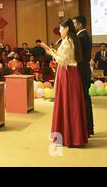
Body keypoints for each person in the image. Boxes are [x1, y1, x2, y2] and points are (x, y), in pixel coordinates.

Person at [38, 19, 88, 147]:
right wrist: (53, 52)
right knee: (71, 103)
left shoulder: (67, 42)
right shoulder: (71, 40)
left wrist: (51, 53)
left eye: (60, 28)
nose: (59, 31)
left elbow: (63, 61)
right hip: (70, 73)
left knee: (67, 103)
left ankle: (70, 137)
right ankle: (72, 136)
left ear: (66, 28)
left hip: (67, 74)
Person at [73, 15, 94, 136]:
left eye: (75, 24)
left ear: (80, 25)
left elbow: (76, 55)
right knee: (85, 98)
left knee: (84, 98)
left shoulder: (80, 37)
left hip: (81, 70)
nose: (74, 26)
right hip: (85, 69)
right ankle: (89, 127)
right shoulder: (86, 35)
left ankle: (87, 127)